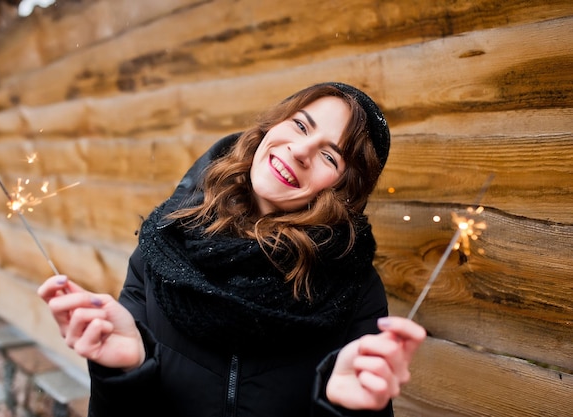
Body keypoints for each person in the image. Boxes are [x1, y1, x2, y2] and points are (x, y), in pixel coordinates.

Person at [38, 82, 426, 417]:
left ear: (344, 190)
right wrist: (122, 374)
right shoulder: (164, 244)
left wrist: (349, 412)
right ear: (272, 126)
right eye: (299, 125)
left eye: (329, 155)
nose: (300, 150)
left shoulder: (351, 288)